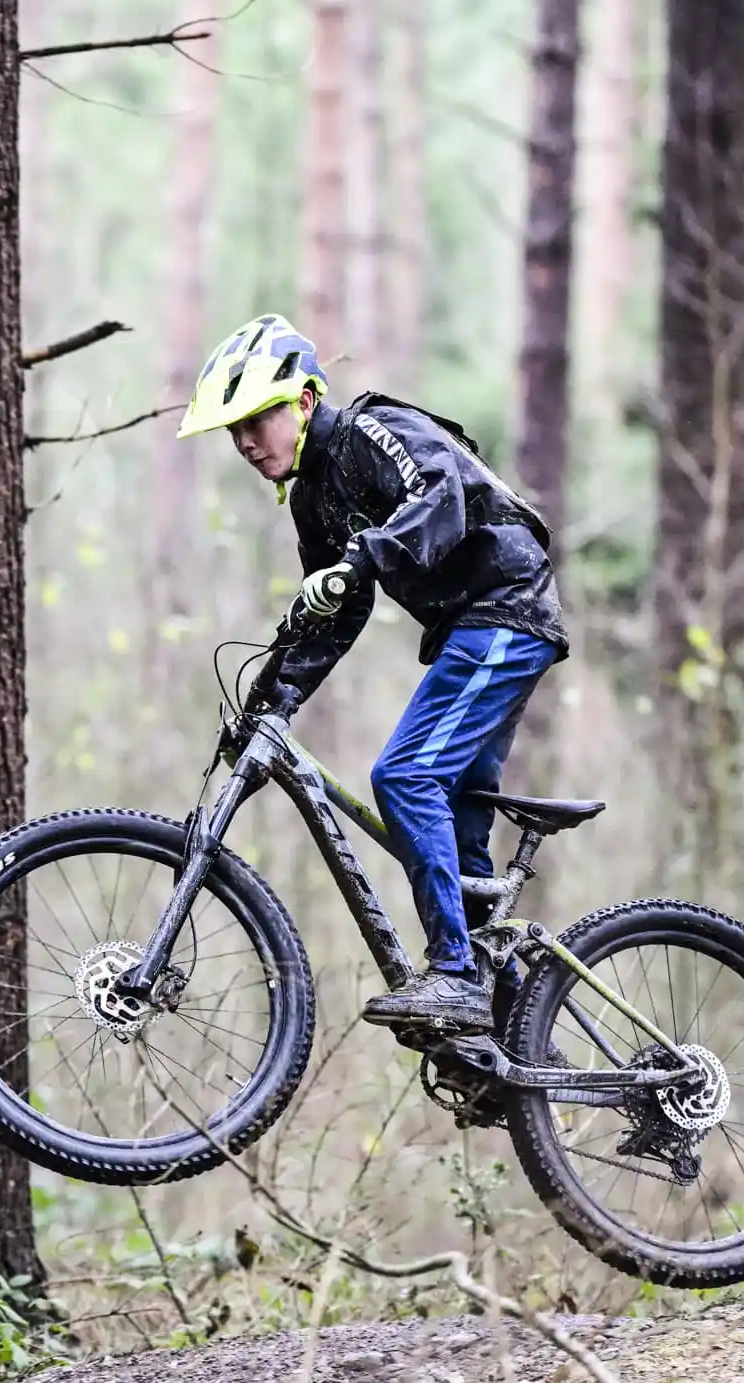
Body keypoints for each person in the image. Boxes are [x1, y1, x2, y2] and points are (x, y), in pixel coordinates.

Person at [176, 313, 565, 1033]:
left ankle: (454, 977)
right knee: (458, 832)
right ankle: (514, 1041)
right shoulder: (312, 498)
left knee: (405, 775)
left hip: (506, 609)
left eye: (256, 418)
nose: (245, 442)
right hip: (470, 630)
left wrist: (364, 556)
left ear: (302, 400)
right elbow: (335, 614)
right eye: (232, 431)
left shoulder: (367, 430)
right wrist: (274, 699)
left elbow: (438, 493)